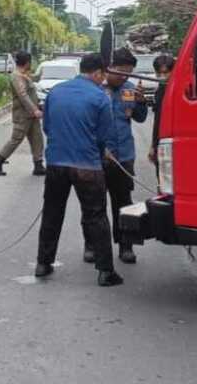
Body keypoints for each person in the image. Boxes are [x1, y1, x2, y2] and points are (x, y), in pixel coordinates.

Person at [34, 54, 124, 287]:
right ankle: (105, 272)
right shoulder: (99, 97)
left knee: (52, 214)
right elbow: (104, 135)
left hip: (56, 164)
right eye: (103, 75)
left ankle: (43, 264)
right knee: (96, 216)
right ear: (97, 73)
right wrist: (101, 151)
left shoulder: (56, 92)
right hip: (87, 166)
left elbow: (48, 126)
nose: (103, 80)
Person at [98, 48, 149, 265]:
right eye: (120, 72)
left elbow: (139, 118)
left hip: (124, 156)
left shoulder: (129, 89)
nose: (124, 77)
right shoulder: (96, 90)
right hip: (99, 157)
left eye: (128, 73)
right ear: (109, 67)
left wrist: (141, 102)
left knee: (124, 204)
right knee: (95, 205)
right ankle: (93, 246)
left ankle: (125, 246)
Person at [0, 52, 46, 176]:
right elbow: (23, 95)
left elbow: (32, 86)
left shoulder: (24, 75)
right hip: (23, 115)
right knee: (16, 139)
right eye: (30, 62)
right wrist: (35, 110)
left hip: (31, 115)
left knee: (37, 139)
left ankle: (38, 165)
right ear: (27, 63)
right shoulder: (16, 76)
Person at [147, 54, 176, 169]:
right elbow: (157, 120)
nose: (162, 77)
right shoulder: (161, 89)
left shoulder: (175, 90)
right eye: (159, 73)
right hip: (162, 141)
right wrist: (153, 145)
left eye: (165, 73)